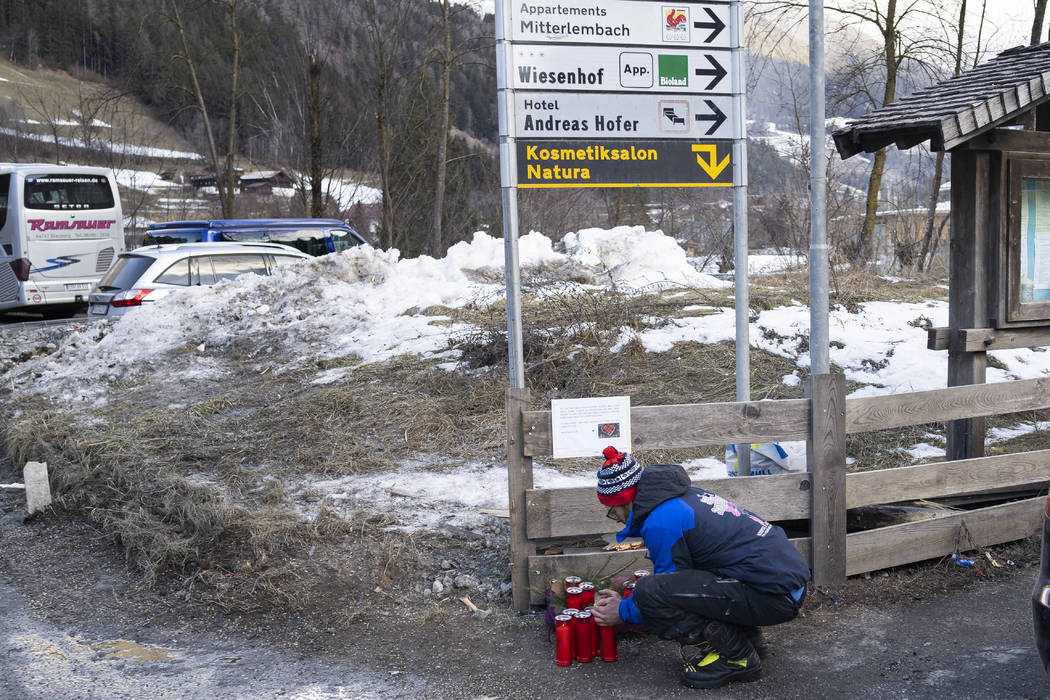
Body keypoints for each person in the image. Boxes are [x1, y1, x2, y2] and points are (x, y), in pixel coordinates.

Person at [590, 446, 810, 689]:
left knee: (649, 592)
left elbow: (667, 585)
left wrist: (622, 612)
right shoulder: (683, 498)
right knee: (684, 583)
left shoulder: (661, 520)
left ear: (625, 500)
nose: (616, 517)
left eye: (613, 510)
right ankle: (743, 639)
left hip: (774, 595)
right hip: (783, 586)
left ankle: (736, 658)